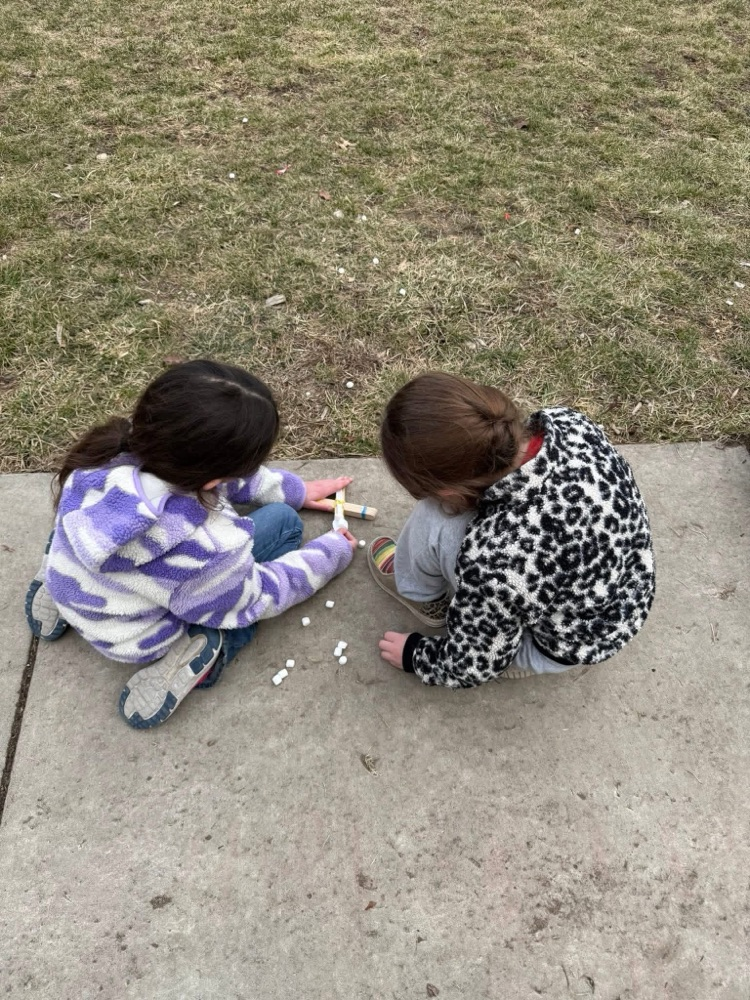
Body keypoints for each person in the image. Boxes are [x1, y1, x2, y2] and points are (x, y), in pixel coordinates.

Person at [25, 360, 357, 728]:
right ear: (215, 478)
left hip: (75, 582)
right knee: (283, 525)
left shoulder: (102, 455)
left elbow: (213, 470)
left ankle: (56, 586)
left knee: (85, 549)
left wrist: (296, 489)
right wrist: (332, 554)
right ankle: (193, 659)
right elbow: (257, 597)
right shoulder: (205, 548)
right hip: (135, 638)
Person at [368, 372, 655, 685]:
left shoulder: (496, 562)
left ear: (449, 489)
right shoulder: (567, 422)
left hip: (560, 644)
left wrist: (417, 655)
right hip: (626, 592)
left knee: (434, 517)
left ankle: (424, 595)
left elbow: (474, 663)